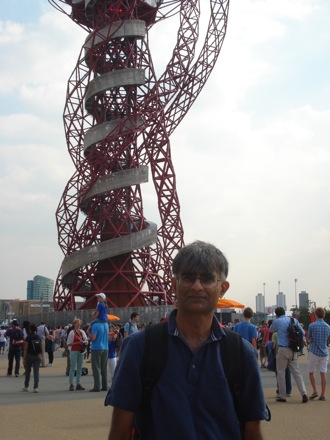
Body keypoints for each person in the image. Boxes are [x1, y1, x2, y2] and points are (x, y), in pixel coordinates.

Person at [107, 241, 268, 440]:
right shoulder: (140, 347)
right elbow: (120, 431)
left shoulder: (241, 353)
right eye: (188, 278)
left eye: (208, 279)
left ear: (223, 288)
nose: (197, 286)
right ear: (175, 284)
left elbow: (253, 432)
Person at [270, 307, 308, 403]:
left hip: (283, 349)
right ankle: (304, 393)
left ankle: (282, 395)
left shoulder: (278, 321)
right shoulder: (293, 320)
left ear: (276, 314)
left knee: (281, 372)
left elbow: (271, 330)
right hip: (293, 349)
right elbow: (303, 332)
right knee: (296, 372)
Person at [307, 307, 330, 401]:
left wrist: (308, 341)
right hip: (324, 352)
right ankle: (323, 394)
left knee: (311, 372)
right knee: (323, 373)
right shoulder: (328, 327)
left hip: (314, 351)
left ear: (316, 315)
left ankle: (315, 390)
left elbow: (309, 339)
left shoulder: (312, 325)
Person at [87, 320, 108, 392]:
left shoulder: (95, 326)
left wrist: (88, 332)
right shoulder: (106, 324)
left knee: (96, 367)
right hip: (105, 347)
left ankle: (97, 386)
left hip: (96, 348)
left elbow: (93, 338)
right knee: (104, 368)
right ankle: (105, 385)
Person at [67, 319, 88, 391]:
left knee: (79, 368)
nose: (79, 325)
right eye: (77, 323)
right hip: (73, 351)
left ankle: (78, 383)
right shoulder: (71, 332)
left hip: (81, 351)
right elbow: (68, 343)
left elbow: (86, 340)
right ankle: (71, 384)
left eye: (80, 324)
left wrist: (85, 342)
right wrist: (78, 343)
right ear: (74, 324)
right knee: (72, 368)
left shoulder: (82, 332)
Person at [22, 323, 42, 393]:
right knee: (36, 372)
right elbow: (41, 347)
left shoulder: (28, 337)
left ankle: (26, 386)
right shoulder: (39, 337)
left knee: (28, 371)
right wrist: (41, 356)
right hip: (37, 356)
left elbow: (26, 348)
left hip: (29, 356)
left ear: (30, 330)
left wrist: (24, 358)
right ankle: (36, 387)